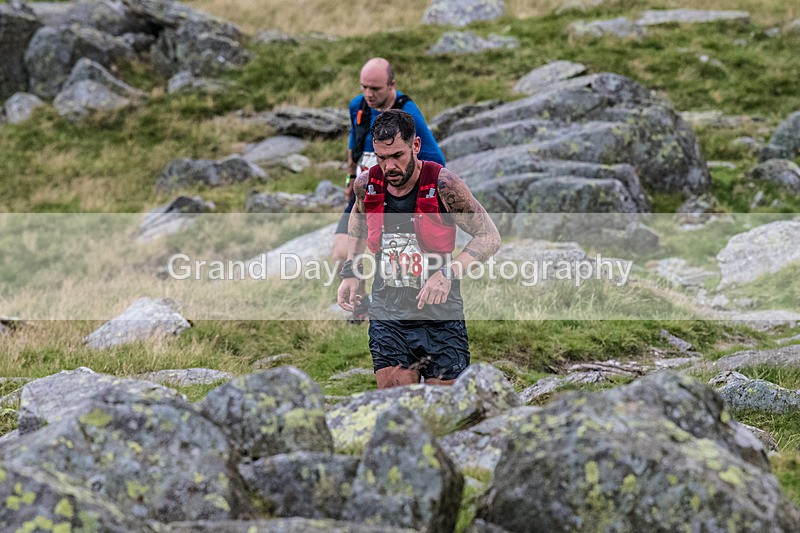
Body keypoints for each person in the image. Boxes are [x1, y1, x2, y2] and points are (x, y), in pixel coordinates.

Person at [337, 110, 500, 389]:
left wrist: (449, 273)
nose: (389, 167)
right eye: (381, 158)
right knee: (397, 410)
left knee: (447, 414)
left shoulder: (443, 184)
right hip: (389, 313)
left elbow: (489, 236)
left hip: (440, 316)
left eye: (397, 155)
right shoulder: (367, 185)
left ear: (415, 146)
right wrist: (351, 270)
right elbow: (357, 222)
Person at [332, 57, 445, 267]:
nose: (368, 94)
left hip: (396, 195)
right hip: (365, 189)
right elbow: (353, 143)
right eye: (364, 87)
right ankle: (359, 299)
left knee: (389, 259)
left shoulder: (408, 113)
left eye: (375, 88)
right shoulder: (358, 106)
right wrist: (351, 178)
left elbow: (435, 158)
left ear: (391, 85)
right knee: (342, 254)